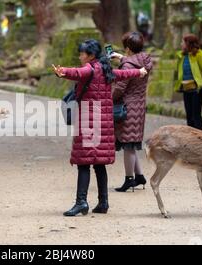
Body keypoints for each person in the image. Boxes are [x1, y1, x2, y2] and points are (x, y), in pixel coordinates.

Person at [52, 39, 147, 216]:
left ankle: (81, 202)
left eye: (82, 53)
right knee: (98, 164)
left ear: (91, 55)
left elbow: (77, 73)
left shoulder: (90, 68)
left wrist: (62, 72)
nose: (80, 56)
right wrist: (139, 72)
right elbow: (123, 74)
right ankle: (103, 202)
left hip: (89, 121)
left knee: (83, 163)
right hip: (103, 122)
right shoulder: (105, 69)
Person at [110, 32, 153, 192]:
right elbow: (134, 63)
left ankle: (129, 179)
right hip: (139, 105)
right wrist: (121, 57)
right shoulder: (145, 61)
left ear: (128, 48)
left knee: (128, 146)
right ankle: (139, 176)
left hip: (127, 106)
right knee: (132, 143)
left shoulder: (127, 66)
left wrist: (108, 98)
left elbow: (120, 88)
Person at [174, 34, 202, 130]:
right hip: (186, 89)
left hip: (197, 90)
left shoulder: (199, 54)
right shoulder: (182, 56)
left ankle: (199, 136)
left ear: (188, 44)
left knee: (196, 115)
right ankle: (190, 137)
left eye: (182, 42)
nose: (181, 44)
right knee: (189, 115)